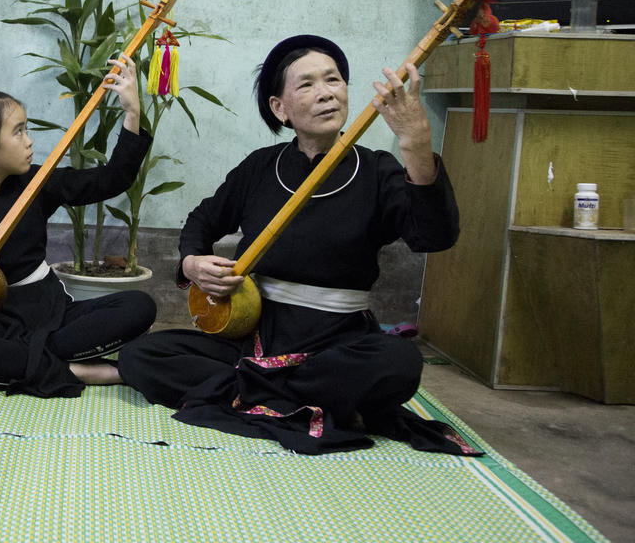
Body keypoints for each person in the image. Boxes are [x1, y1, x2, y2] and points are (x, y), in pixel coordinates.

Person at [118, 35, 480, 456]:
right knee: (142, 354)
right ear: (280, 108)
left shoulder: (377, 171)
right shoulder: (260, 167)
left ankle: (257, 389)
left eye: (334, 80)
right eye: (306, 85)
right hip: (254, 334)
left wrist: (416, 142)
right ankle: (304, 397)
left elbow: (434, 237)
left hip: (336, 342)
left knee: (399, 362)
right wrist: (193, 262)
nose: (326, 92)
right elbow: (202, 220)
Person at [0, 55, 157, 397]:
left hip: (52, 314)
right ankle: (78, 370)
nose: (29, 141)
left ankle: (13, 367)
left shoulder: (37, 182)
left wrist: (132, 113)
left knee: (139, 306)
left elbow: (112, 180)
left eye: (27, 129)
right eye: (18, 132)